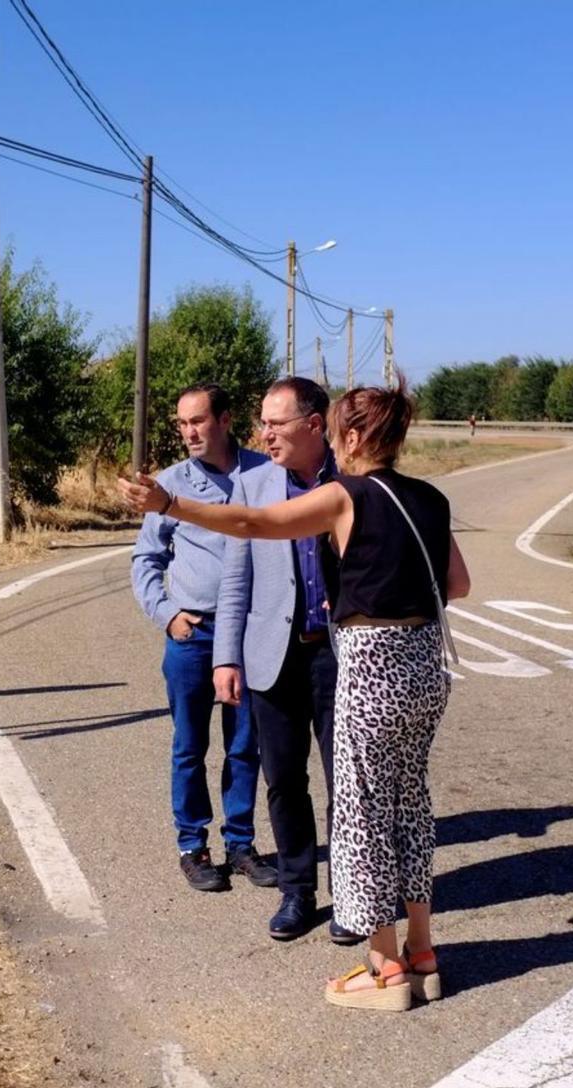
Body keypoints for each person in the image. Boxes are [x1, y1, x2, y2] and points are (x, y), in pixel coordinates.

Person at [119, 378, 470, 1012]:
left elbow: (252, 523)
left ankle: (385, 968)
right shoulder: (429, 495)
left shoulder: (346, 492)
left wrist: (169, 502)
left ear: (350, 436)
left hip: (363, 662)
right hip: (421, 668)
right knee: (408, 805)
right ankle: (420, 951)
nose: (269, 436)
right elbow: (457, 584)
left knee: (359, 810)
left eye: (336, 428)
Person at [210, 378, 354, 944]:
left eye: (277, 423)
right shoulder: (252, 485)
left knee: (347, 782)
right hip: (271, 657)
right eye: (262, 422)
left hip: (340, 658)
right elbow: (235, 579)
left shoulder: (352, 480)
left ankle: (352, 894)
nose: (264, 433)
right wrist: (226, 657)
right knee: (283, 781)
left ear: (314, 425)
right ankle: (298, 891)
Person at [130, 383, 276, 892]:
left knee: (245, 745)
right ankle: (193, 846)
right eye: (182, 423)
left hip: (250, 634)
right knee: (190, 745)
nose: (189, 431)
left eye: (198, 420)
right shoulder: (169, 486)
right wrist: (168, 614)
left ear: (225, 419)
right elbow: (145, 560)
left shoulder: (264, 474)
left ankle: (241, 844)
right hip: (193, 634)